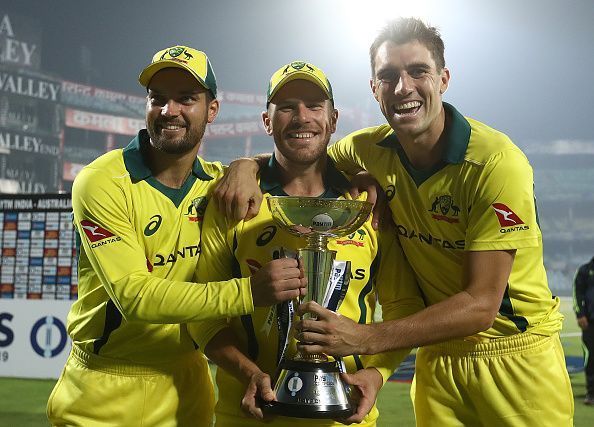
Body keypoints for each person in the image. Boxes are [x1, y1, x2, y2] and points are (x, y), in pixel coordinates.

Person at [214, 18, 574, 426]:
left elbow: (480, 306)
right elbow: (302, 152)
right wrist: (245, 166)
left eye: (418, 71)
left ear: (443, 79)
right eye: (388, 76)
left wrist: (365, 339)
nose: (402, 87)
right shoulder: (368, 149)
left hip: (514, 354)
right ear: (374, 89)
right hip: (436, 352)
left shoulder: (495, 163)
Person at [46, 45, 305, 427]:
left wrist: (248, 163)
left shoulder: (221, 186)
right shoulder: (102, 181)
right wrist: (248, 292)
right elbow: (134, 295)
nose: (170, 111)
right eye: (158, 99)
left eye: (186, 99)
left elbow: (301, 164)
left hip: (190, 391)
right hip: (101, 391)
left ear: (212, 110)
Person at [187, 61, 424, 427]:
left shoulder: (369, 204)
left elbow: (402, 305)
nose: (301, 118)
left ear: (333, 120)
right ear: (267, 121)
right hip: (250, 417)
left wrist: (377, 374)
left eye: (314, 106)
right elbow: (204, 318)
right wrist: (249, 372)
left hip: (347, 417)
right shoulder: (233, 200)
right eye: (286, 107)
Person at [574, 256, 594, 405]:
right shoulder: (585, 270)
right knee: (591, 357)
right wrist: (580, 314)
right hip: (590, 322)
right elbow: (577, 293)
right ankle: (591, 393)